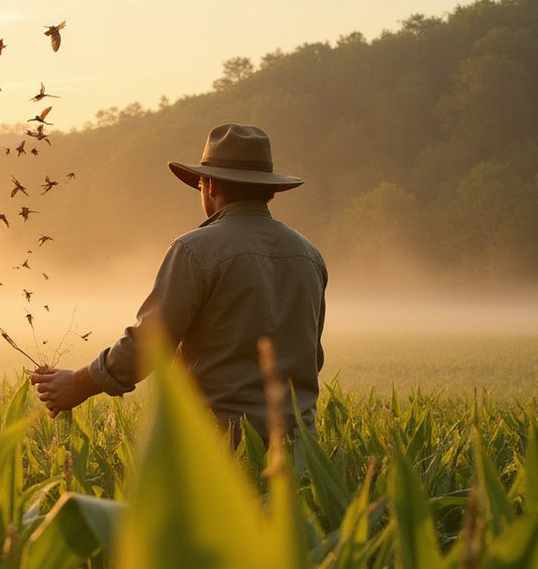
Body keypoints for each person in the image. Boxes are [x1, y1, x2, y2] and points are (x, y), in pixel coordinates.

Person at [29, 123, 327, 442]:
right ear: (269, 190)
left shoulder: (195, 250)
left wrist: (77, 384)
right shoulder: (309, 255)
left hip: (219, 448)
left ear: (210, 185)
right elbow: (311, 357)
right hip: (300, 450)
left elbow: (151, 345)